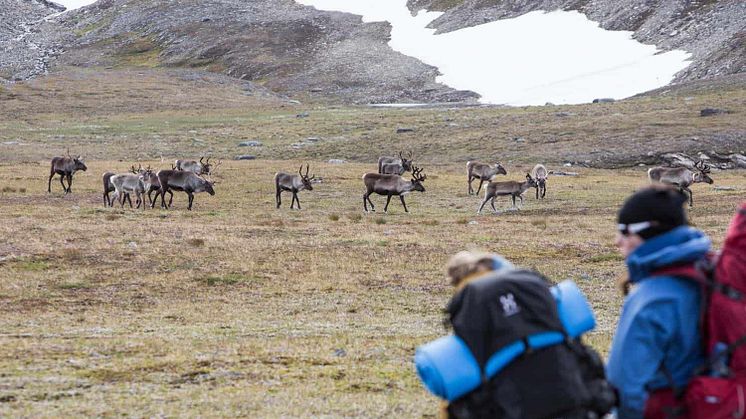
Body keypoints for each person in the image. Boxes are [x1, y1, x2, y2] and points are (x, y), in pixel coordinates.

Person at [606, 186, 711, 418]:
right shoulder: (710, 272)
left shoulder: (651, 299)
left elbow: (622, 388)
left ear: (650, 231)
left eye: (624, 231)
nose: (617, 241)